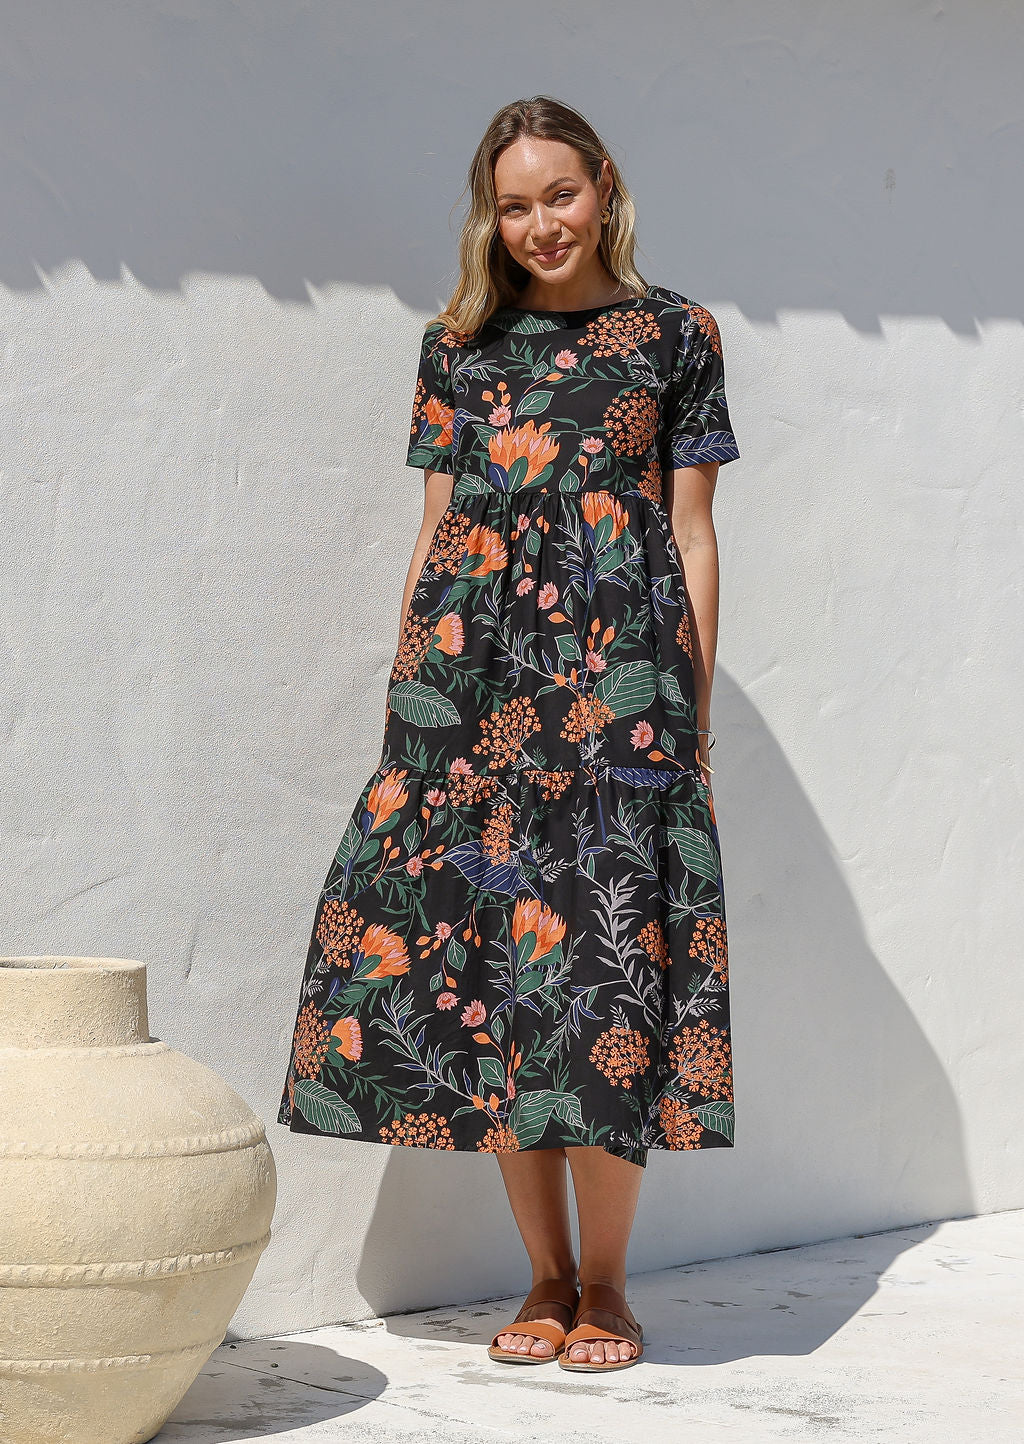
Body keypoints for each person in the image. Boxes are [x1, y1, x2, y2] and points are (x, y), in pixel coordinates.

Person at [277, 94, 741, 1374]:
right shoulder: (457, 346)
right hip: (472, 690)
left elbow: (690, 532)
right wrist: (406, 698)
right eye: (515, 202)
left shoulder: (673, 335)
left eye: (561, 194)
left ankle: (607, 1283)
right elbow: (440, 530)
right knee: (491, 976)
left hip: (618, 687)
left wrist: (686, 704)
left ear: (605, 187)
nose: (540, 223)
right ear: (493, 213)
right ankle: (540, 1278)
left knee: (602, 981)